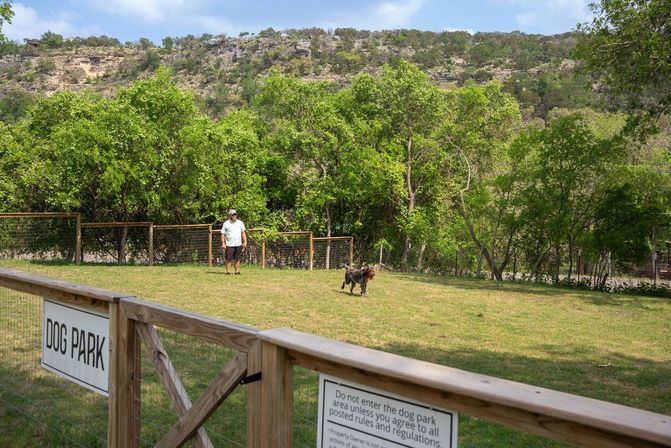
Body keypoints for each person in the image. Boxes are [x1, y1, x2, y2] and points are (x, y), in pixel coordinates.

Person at [221, 209, 247, 275]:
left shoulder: (240, 223)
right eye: (233, 215)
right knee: (228, 259)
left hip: (238, 244)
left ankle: (237, 271)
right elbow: (222, 234)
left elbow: (243, 233)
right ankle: (228, 272)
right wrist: (223, 243)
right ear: (230, 215)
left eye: (235, 214)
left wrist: (245, 241)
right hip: (229, 244)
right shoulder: (226, 224)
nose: (234, 216)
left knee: (237, 259)